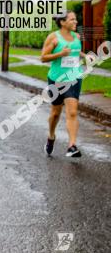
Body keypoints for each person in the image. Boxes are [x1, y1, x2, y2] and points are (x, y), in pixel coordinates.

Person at [40, 11, 85, 157]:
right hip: (56, 80)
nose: (76, 22)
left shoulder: (77, 37)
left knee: (72, 112)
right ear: (62, 22)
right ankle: (51, 136)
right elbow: (43, 58)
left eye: (75, 19)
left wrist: (85, 56)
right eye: (72, 19)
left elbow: (76, 51)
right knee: (55, 113)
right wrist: (59, 54)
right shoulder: (53, 37)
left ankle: (72, 146)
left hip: (74, 78)